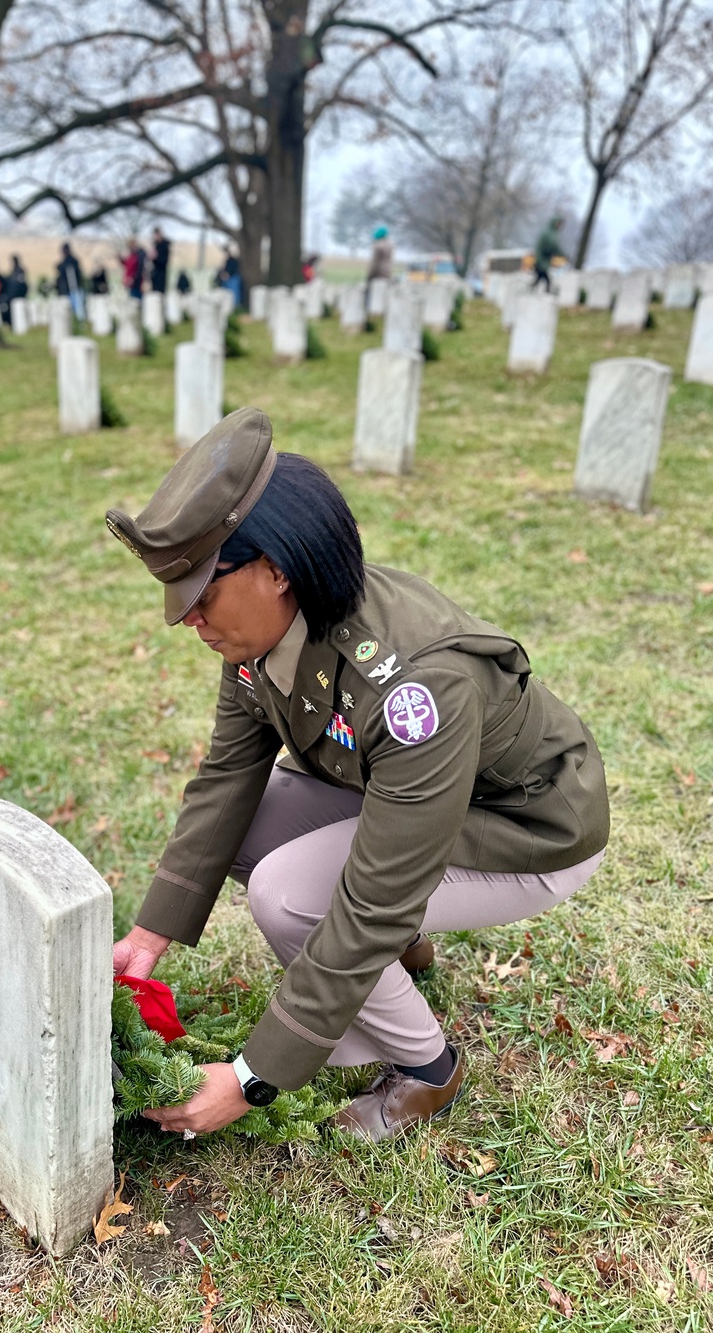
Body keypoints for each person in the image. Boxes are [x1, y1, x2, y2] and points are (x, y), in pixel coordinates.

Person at [106, 409, 609, 1142]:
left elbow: (371, 899)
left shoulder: (417, 686)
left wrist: (252, 1077)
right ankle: (406, 959)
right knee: (244, 827)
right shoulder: (259, 632)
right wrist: (151, 934)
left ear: (274, 569)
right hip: (409, 807)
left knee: (291, 898)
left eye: (202, 592)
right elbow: (226, 780)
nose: (186, 619)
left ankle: (426, 1069)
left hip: (525, 826)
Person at [533, 217, 566, 292]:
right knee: (544, 277)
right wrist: (562, 254)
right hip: (541, 259)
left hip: (545, 260)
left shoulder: (553, 233)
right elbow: (553, 246)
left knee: (540, 277)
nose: (559, 226)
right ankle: (546, 292)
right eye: (559, 224)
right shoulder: (549, 233)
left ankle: (532, 289)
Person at [56, 243, 85, 321]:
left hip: (74, 289)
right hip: (67, 290)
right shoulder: (64, 263)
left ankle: (79, 323)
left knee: (78, 309)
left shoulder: (72, 262)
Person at [151, 228, 171, 294]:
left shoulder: (165, 246)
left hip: (161, 274)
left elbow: (165, 261)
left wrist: (156, 257)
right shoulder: (155, 245)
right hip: (154, 274)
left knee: (160, 293)